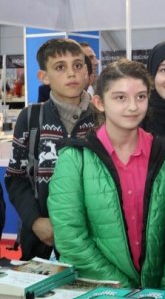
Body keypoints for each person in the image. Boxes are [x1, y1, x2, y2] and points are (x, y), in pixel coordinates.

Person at [47, 59, 165, 290]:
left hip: (159, 292)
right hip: (100, 293)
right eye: (120, 98)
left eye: (140, 96)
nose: (132, 107)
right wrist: (122, 287)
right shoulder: (75, 158)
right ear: (99, 102)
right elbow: (70, 238)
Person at [5, 38, 97, 260]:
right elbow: (16, 178)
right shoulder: (30, 118)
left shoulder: (102, 117)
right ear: (44, 77)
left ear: (87, 71)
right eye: (60, 67)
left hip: (96, 238)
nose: (71, 73)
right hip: (42, 240)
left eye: (77, 65)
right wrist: (35, 221)